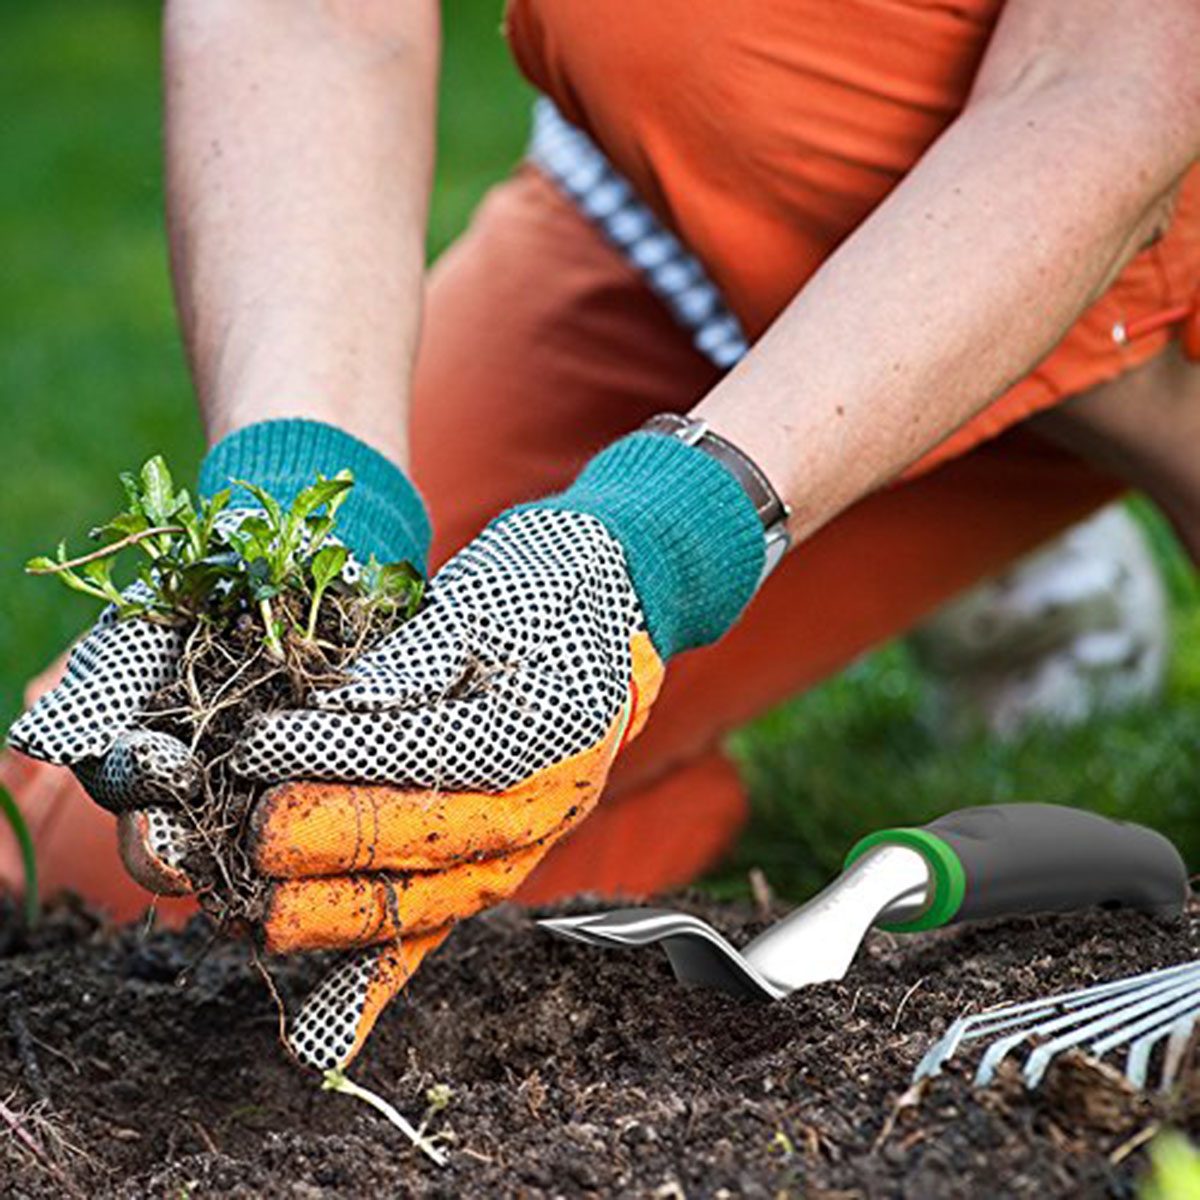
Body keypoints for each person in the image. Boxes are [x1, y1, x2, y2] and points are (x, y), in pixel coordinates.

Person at [5, 0, 1200, 1073]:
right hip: (676, 209)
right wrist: (305, 515)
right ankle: (917, 478)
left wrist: (672, 530)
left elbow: (1110, 86)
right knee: (152, 862)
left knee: (681, 29)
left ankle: (1074, 414)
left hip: (1092, 158)